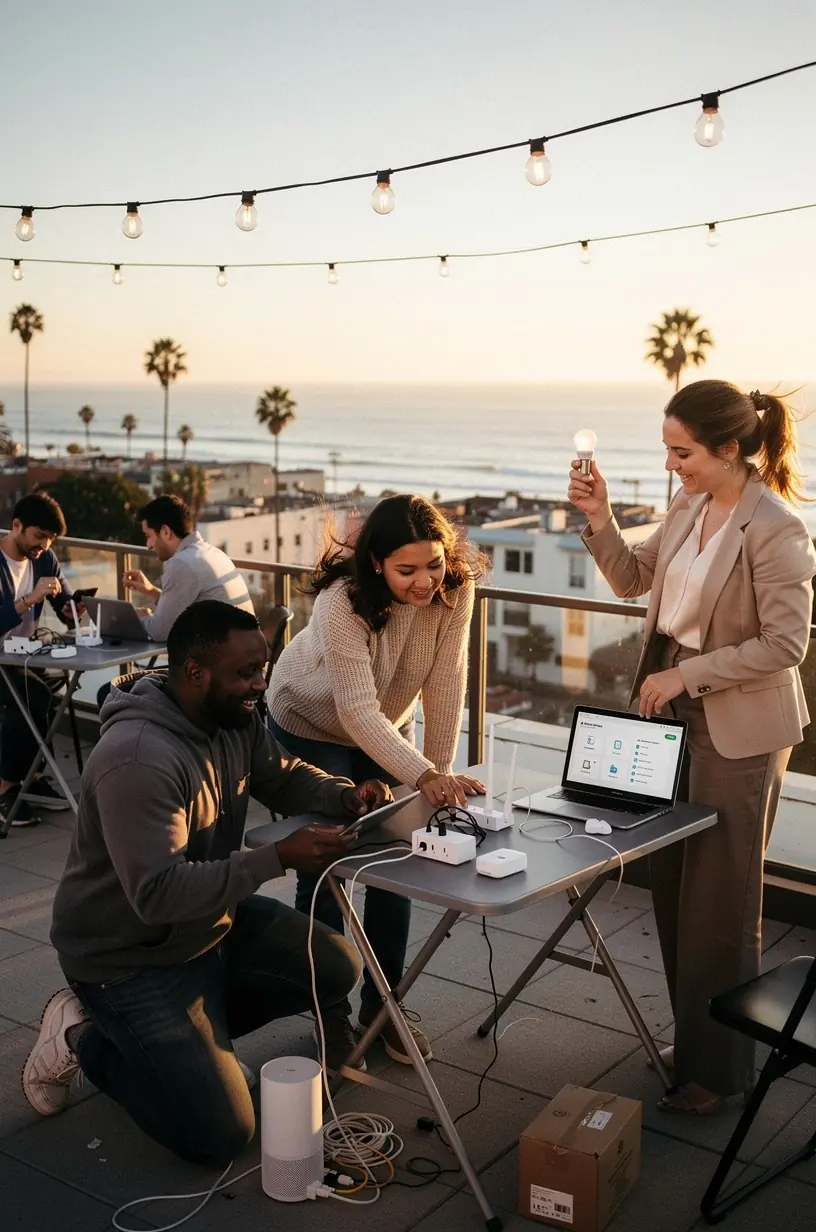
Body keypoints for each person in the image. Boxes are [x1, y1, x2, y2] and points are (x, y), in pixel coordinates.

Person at [23, 601, 392, 1165]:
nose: (258, 684)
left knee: (337, 966)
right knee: (220, 1136)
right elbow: (156, 894)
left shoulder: (232, 720)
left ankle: (187, 1048)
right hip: (129, 957)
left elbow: (284, 776)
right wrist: (277, 857)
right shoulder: (140, 758)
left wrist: (344, 794)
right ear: (194, 673)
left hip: (208, 927)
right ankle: (82, 1037)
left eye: (262, 668)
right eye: (246, 673)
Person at [568, 379, 816, 1115]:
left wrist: (689, 673)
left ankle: (721, 1071)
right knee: (674, 885)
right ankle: (699, 1037)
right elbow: (629, 579)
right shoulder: (689, 505)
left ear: (730, 449)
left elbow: (786, 645)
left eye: (683, 453)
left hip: (738, 731)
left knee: (721, 900)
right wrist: (599, 517)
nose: (673, 466)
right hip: (670, 714)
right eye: (668, 451)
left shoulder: (777, 529)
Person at [268, 494, 485, 1066]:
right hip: (312, 722)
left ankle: (383, 1007)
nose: (424, 582)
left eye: (433, 564)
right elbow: (355, 711)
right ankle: (328, 1012)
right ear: (376, 565)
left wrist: (430, 786)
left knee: (398, 857)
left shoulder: (455, 591)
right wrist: (426, 773)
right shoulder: (343, 603)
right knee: (328, 857)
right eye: (407, 570)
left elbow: (446, 683)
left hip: (385, 725)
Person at [0, 493, 83, 826]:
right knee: (34, 696)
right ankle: (6, 786)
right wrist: (27, 600)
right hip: (4, 660)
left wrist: (71, 609)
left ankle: (31, 779)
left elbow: (64, 601)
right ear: (16, 525)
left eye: (50, 539)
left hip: (23, 656)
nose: (44, 545)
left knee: (47, 693)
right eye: (39, 536)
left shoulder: (45, 559)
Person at [124, 494, 254, 641]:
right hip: (244, 652)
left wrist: (134, 619)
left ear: (166, 532)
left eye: (148, 536)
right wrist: (151, 591)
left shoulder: (182, 563)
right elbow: (180, 607)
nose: (148, 546)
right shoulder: (211, 552)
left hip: (225, 660)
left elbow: (159, 632)